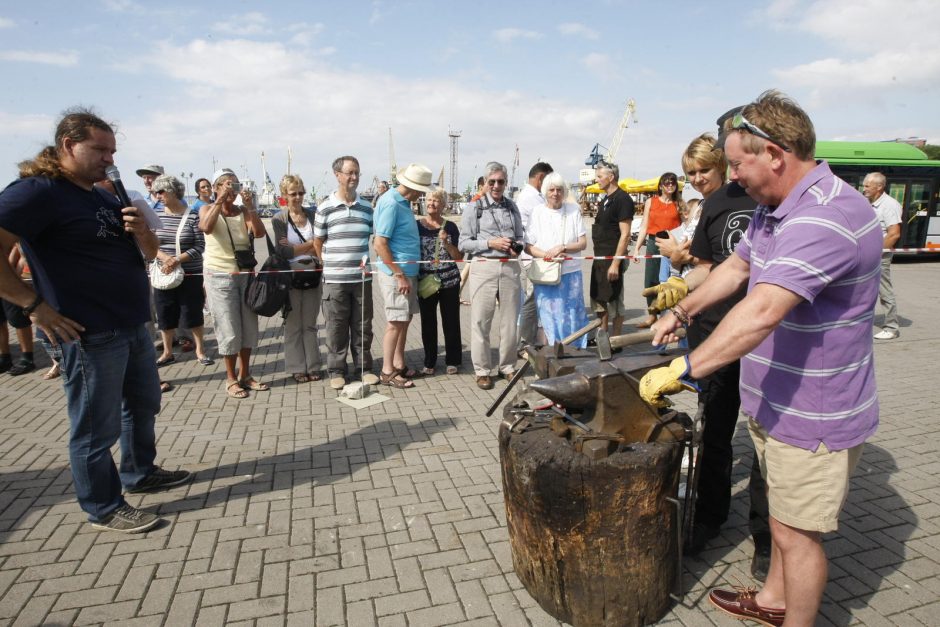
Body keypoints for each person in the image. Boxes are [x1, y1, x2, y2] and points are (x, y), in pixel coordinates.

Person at [641, 90, 882, 626]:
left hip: (814, 413)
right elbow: (734, 269)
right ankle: (773, 600)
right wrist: (681, 308)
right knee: (782, 519)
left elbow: (762, 312)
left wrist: (685, 367)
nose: (732, 176)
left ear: (775, 153)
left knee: (799, 539)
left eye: (736, 163)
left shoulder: (823, 218)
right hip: (777, 400)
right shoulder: (776, 209)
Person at [0, 107, 193, 532]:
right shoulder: (38, 192)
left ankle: (140, 473)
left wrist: (143, 234)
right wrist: (35, 307)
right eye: (100, 150)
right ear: (68, 146)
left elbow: (146, 255)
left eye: (113, 151)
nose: (110, 159)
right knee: (94, 428)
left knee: (143, 404)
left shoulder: (104, 194)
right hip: (87, 333)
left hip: (130, 324)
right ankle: (103, 506)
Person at [646, 132, 771, 579]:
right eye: (691, 173)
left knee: (764, 443)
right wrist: (680, 294)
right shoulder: (713, 206)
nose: (699, 178)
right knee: (714, 430)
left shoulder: (764, 199)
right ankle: (710, 518)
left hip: (763, 336)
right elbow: (707, 266)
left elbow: (749, 271)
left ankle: (766, 540)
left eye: (706, 169)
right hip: (712, 333)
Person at [199, 168, 268, 399]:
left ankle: (245, 374)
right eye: (227, 185)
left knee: (248, 327)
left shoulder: (242, 211)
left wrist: (249, 208)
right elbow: (206, 228)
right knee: (228, 328)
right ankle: (230, 378)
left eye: (235, 185)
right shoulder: (208, 209)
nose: (232, 189)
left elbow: (258, 233)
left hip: (246, 275)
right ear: (217, 187)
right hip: (220, 276)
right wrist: (219, 200)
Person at [458, 161, 524, 390]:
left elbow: (520, 236)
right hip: (483, 267)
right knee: (480, 322)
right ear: (485, 182)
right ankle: (483, 370)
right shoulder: (474, 208)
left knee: (509, 323)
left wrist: (517, 246)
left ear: (506, 183)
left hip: (509, 267)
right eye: (492, 181)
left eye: (501, 181)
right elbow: (463, 242)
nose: (496, 186)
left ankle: (507, 366)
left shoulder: (512, 207)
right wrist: (490, 242)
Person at [314, 156, 376, 390]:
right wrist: (329, 264)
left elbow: (374, 237)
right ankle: (337, 370)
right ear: (337, 175)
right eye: (349, 173)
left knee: (363, 326)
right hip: (335, 281)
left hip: (362, 280)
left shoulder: (367, 207)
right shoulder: (324, 207)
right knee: (336, 327)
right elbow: (318, 242)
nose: (354, 177)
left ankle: (364, 368)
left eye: (357, 173)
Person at [373, 163, 434, 388]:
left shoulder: (403, 202)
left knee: (404, 320)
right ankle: (387, 371)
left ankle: (399, 363)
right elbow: (380, 243)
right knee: (395, 322)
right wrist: (398, 274)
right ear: (413, 187)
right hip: (397, 274)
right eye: (422, 189)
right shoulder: (391, 203)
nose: (422, 194)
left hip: (407, 273)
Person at [150, 174, 211, 367]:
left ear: (174, 192)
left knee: (192, 312)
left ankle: (200, 350)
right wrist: (165, 258)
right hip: (164, 273)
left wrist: (177, 259)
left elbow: (200, 246)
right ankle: (168, 352)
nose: (158, 196)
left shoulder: (192, 215)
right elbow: (149, 244)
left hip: (190, 273)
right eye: (155, 192)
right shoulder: (155, 216)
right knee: (165, 312)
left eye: (161, 191)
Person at [524, 173, 589, 346]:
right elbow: (528, 246)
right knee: (549, 317)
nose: (555, 193)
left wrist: (563, 247)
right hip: (546, 274)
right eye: (551, 189)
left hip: (571, 274)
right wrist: (548, 256)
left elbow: (583, 243)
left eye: (559, 190)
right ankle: (553, 353)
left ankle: (575, 351)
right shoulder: (537, 212)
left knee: (572, 316)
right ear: (545, 191)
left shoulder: (573, 210)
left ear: (564, 192)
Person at [272, 174, 323, 383]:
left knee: (310, 324)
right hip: (291, 276)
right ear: (284, 195)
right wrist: (311, 245)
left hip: (313, 274)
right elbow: (284, 252)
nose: (298, 197)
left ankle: (313, 365)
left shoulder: (312, 215)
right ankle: (296, 367)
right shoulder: (279, 219)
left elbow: (321, 244)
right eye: (293, 194)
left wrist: (304, 247)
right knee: (293, 324)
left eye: (301, 193)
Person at [416, 187, 463, 376]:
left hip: (449, 281)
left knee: (451, 321)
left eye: (436, 200)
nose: (431, 203)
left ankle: (453, 360)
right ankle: (430, 361)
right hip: (426, 281)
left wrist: (447, 243)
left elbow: (459, 257)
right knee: (428, 322)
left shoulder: (451, 227)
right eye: (428, 200)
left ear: (443, 204)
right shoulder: (417, 226)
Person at [632, 172, 682, 327]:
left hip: (671, 242)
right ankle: (653, 314)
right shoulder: (651, 202)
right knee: (651, 280)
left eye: (672, 183)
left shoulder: (679, 203)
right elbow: (644, 226)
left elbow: (684, 226)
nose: (670, 185)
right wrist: (637, 248)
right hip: (654, 242)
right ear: (660, 186)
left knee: (670, 281)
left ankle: (668, 316)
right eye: (666, 183)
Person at [590, 161, 634, 335]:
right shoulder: (606, 199)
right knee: (599, 298)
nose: (597, 180)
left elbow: (625, 235)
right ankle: (603, 335)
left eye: (600, 177)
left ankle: (615, 339)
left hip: (613, 258)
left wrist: (616, 263)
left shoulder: (623, 199)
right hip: (600, 257)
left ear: (611, 177)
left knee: (615, 300)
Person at [514, 162, 553, 346]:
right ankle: (525, 341)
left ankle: (530, 339)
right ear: (541, 178)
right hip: (534, 257)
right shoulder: (531, 198)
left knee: (535, 300)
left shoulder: (531, 196)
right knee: (531, 301)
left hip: (536, 256)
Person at [863, 172, 902, 340]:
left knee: (884, 290)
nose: (863, 189)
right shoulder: (870, 203)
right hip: (868, 254)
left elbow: (894, 234)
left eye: (867, 186)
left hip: (880, 255)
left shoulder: (889, 205)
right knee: (864, 289)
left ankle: (892, 327)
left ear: (879, 187)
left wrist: (876, 253)